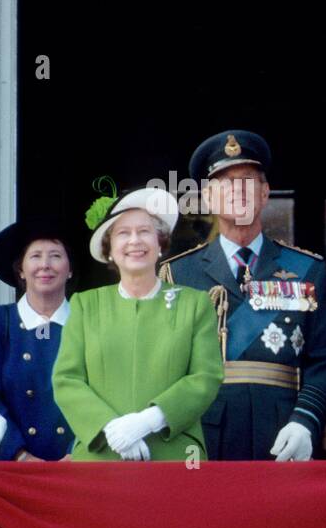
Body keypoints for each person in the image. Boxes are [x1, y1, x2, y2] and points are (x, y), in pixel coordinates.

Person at [160, 130, 326, 460]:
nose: (237, 191)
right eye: (225, 183)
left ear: (265, 193)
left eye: (247, 181)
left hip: (283, 431)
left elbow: (324, 361)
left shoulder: (306, 270)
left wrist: (305, 421)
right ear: (208, 197)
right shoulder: (178, 275)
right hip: (203, 436)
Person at [52, 186, 223, 461]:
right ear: (109, 250)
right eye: (123, 233)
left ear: (160, 244)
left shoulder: (195, 304)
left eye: (144, 231)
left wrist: (148, 421)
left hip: (175, 455)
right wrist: (111, 428)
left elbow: (206, 376)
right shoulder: (84, 305)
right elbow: (66, 379)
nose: (135, 241)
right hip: (101, 453)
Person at [0, 216, 78, 460]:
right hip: (10, 471)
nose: (45, 265)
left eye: (55, 255)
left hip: (79, 469)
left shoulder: (89, 324)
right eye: (35, 256)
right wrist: (19, 454)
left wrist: (79, 452)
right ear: (20, 269)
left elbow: (105, 392)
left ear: (70, 269)